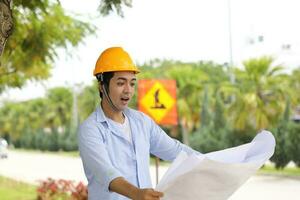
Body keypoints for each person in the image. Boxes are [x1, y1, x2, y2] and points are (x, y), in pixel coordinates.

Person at [78, 47, 199, 200]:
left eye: (132, 83)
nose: (128, 90)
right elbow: (107, 173)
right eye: (121, 83)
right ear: (102, 86)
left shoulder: (142, 122)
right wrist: (137, 194)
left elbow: (176, 150)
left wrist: (212, 162)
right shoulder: (90, 129)